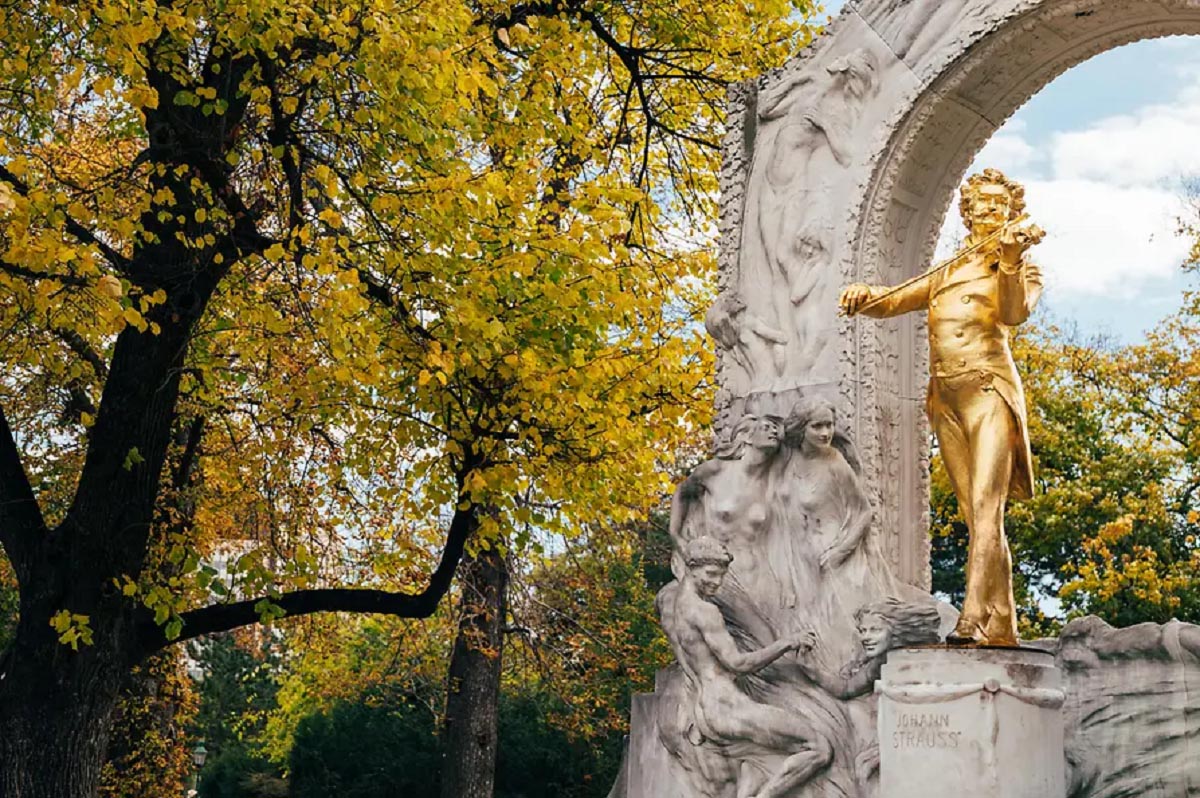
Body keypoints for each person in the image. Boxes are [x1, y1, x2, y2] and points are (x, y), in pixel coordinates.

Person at [839, 168, 1044, 646]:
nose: (990, 211)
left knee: (986, 507)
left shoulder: (1019, 264)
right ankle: (1003, 625)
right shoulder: (947, 270)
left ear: (1011, 212)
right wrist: (863, 297)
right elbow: (893, 301)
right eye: (982, 204)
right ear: (968, 213)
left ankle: (971, 618)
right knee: (977, 519)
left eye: (999, 204)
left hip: (988, 389)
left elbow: (1013, 313)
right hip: (945, 399)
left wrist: (1012, 259)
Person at [658, 537, 833, 798]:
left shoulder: (668, 602)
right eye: (711, 574)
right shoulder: (705, 612)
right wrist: (786, 643)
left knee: (756, 770)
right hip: (726, 708)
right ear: (692, 568)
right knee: (818, 747)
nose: (716, 583)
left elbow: (687, 658)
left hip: (703, 709)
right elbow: (739, 663)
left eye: (721, 576)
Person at [771, 396, 896, 666]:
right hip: (802, 561)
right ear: (801, 429)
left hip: (837, 559)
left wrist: (840, 552)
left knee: (845, 633)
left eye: (829, 425)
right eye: (817, 426)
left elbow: (864, 513)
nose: (826, 433)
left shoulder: (835, 461)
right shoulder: (788, 464)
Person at [669, 414, 788, 639]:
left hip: (759, 575)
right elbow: (682, 492)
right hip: (722, 574)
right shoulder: (716, 470)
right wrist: (675, 535)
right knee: (765, 638)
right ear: (747, 437)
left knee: (774, 636)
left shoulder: (772, 482)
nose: (773, 432)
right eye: (766, 428)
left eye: (775, 429)